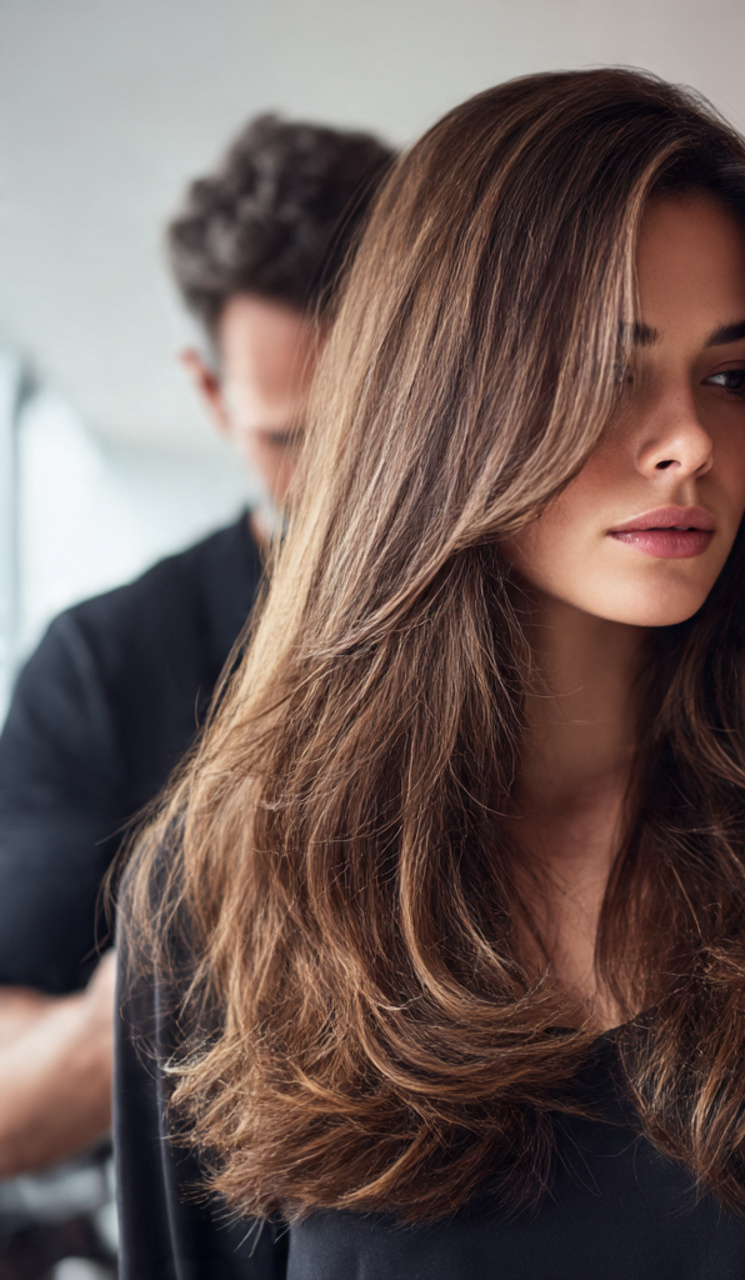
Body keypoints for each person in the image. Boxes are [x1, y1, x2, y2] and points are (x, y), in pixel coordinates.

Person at [116, 69, 745, 1278]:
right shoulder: (233, 895)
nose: (687, 439)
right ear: (437, 403)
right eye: (606, 368)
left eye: (731, 374)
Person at [0, 114, 394, 1181]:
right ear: (212, 394)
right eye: (289, 436)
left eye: (374, 417)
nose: (338, 479)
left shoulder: (568, 613)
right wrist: (200, 955)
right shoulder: (102, 663)